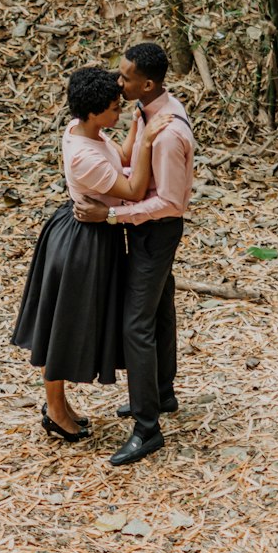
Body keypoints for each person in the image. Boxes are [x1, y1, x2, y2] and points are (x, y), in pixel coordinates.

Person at [11, 66, 173, 442]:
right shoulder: (84, 154)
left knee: (66, 321)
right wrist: (148, 142)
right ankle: (54, 409)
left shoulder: (87, 131)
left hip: (91, 234)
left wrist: (137, 125)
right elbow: (131, 190)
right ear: (94, 111)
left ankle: (60, 405)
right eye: (115, 108)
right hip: (82, 242)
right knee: (63, 324)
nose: (119, 112)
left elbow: (122, 157)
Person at [73, 42, 194, 466]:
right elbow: (131, 168)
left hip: (157, 230)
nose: (117, 82)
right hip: (147, 229)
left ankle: (147, 429)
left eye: (124, 77)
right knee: (160, 308)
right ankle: (161, 392)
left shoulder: (168, 131)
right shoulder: (146, 112)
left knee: (135, 326)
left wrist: (111, 215)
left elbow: (171, 202)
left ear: (146, 83)